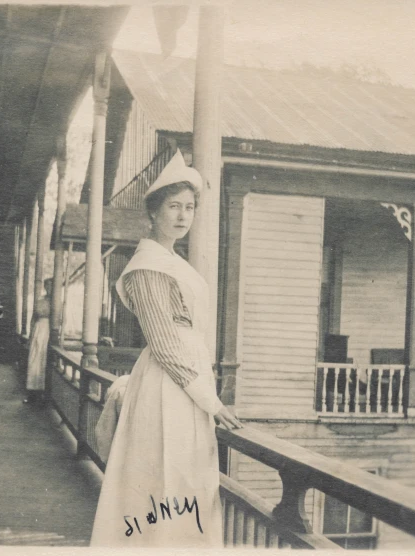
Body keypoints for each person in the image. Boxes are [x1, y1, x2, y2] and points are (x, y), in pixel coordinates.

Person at [90, 150, 242, 548]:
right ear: (154, 213)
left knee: (186, 480)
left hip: (186, 383)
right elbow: (165, 344)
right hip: (168, 385)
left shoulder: (172, 261)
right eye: (173, 207)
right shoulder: (147, 266)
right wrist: (213, 402)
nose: (182, 216)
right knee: (162, 479)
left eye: (189, 207)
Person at [25, 277, 52, 402]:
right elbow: (33, 318)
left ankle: (43, 394)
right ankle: (32, 391)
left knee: (44, 361)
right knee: (34, 360)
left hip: (48, 331)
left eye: (51, 286)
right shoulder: (40, 300)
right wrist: (31, 334)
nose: (49, 288)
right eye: (47, 286)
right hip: (38, 330)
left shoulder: (57, 303)